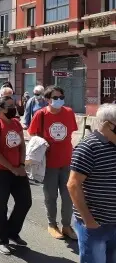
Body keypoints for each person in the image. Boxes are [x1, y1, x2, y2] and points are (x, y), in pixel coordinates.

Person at [67, 103, 116, 263]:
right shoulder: (88, 147)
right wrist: (89, 220)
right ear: (109, 125)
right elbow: (73, 185)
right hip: (96, 224)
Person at [28, 86, 78, 240]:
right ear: (47, 100)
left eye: (61, 97)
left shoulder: (69, 112)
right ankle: (52, 225)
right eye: (55, 98)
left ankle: (67, 226)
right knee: (51, 196)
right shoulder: (40, 115)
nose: (59, 100)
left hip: (67, 161)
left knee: (69, 196)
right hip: (48, 164)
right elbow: (33, 135)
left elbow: (71, 134)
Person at [0, 95, 32, 255]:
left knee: (25, 202)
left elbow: (22, 146)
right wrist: (12, 168)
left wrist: (20, 165)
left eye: (14, 105)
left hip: (17, 169)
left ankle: (12, 232)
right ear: (1, 108)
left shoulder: (16, 123)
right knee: (1, 207)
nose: (14, 108)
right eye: (10, 106)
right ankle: (2, 240)